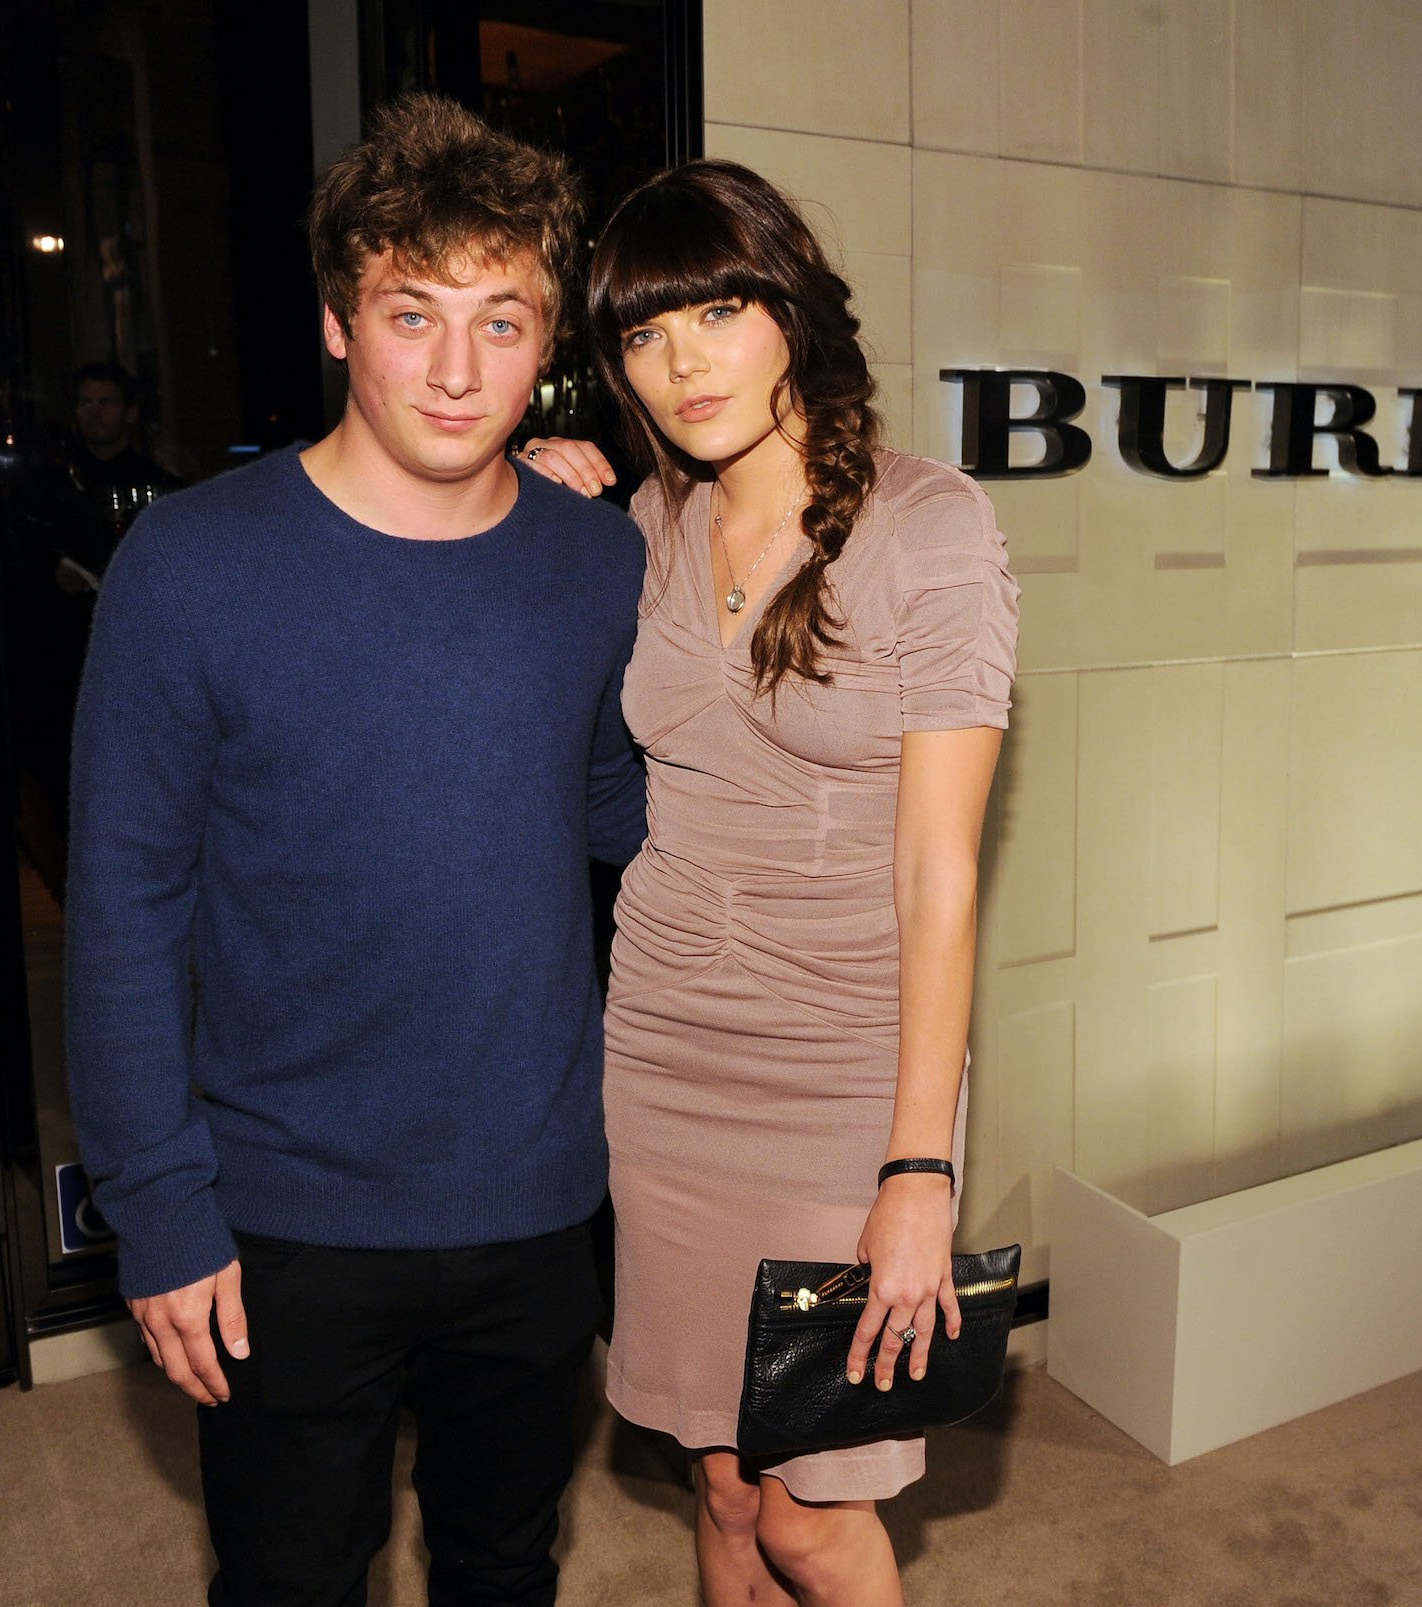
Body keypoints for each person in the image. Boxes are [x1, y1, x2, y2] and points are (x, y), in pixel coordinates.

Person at [65, 94, 644, 1607]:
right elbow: (123, 909)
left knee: (506, 1565)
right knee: (287, 1584)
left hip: (536, 1199)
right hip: (278, 1217)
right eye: (411, 313)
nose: (458, 372)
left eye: (503, 323)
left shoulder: (597, 558)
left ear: (548, 345)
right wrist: (159, 1210)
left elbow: (621, 815)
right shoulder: (188, 567)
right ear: (338, 322)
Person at [525, 159, 1017, 1606]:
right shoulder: (645, 529)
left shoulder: (933, 528)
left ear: (789, 310)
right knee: (728, 1490)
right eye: (639, 334)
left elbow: (940, 873)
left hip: (847, 1084)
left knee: (814, 1512)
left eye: (714, 313)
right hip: (666, 1060)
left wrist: (916, 1170)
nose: (679, 365)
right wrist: (529, 484)